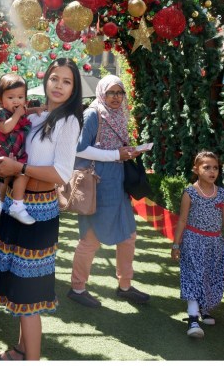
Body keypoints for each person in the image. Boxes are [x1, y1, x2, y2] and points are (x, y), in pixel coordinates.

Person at [0, 58, 83, 361]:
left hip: (39, 211)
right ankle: (19, 351)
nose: (58, 85)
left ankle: (31, 360)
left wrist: (21, 166)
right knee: (18, 286)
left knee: (29, 294)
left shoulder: (69, 121)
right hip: (19, 203)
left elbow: (62, 173)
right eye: (55, 78)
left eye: (66, 81)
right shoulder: (37, 113)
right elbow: (9, 136)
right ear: (46, 79)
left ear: (74, 87)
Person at [68, 75, 150, 308]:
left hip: (118, 183)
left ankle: (125, 285)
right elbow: (79, 149)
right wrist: (116, 155)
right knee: (90, 240)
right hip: (98, 184)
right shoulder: (93, 113)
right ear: (102, 93)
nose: (115, 97)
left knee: (128, 236)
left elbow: (113, 147)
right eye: (111, 92)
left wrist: (127, 151)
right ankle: (77, 287)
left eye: (120, 93)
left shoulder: (118, 114)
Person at [171, 151, 224, 338]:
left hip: (215, 243)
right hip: (193, 241)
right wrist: (176, 245)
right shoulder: (190, 192)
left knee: (210, 276)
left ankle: (204, 309)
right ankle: (193, 319)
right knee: (193, 277)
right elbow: (182, 220)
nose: (212, 171)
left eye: (215, 167)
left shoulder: (222, 194)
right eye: (206, 167)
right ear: (196, 169)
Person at [0, 73, 35, 224]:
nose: (16, 100)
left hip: (15, 151)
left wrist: (37, 110)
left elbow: (26, 112)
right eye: (11, 97)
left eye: (20, 97)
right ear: (1, 99)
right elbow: (5, 128)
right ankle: (2, 202)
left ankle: (17, 204)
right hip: (3, 149)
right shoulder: (1, 113)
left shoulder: (18, 112)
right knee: (4, 176)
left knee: (21, 174)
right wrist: (17, 114)